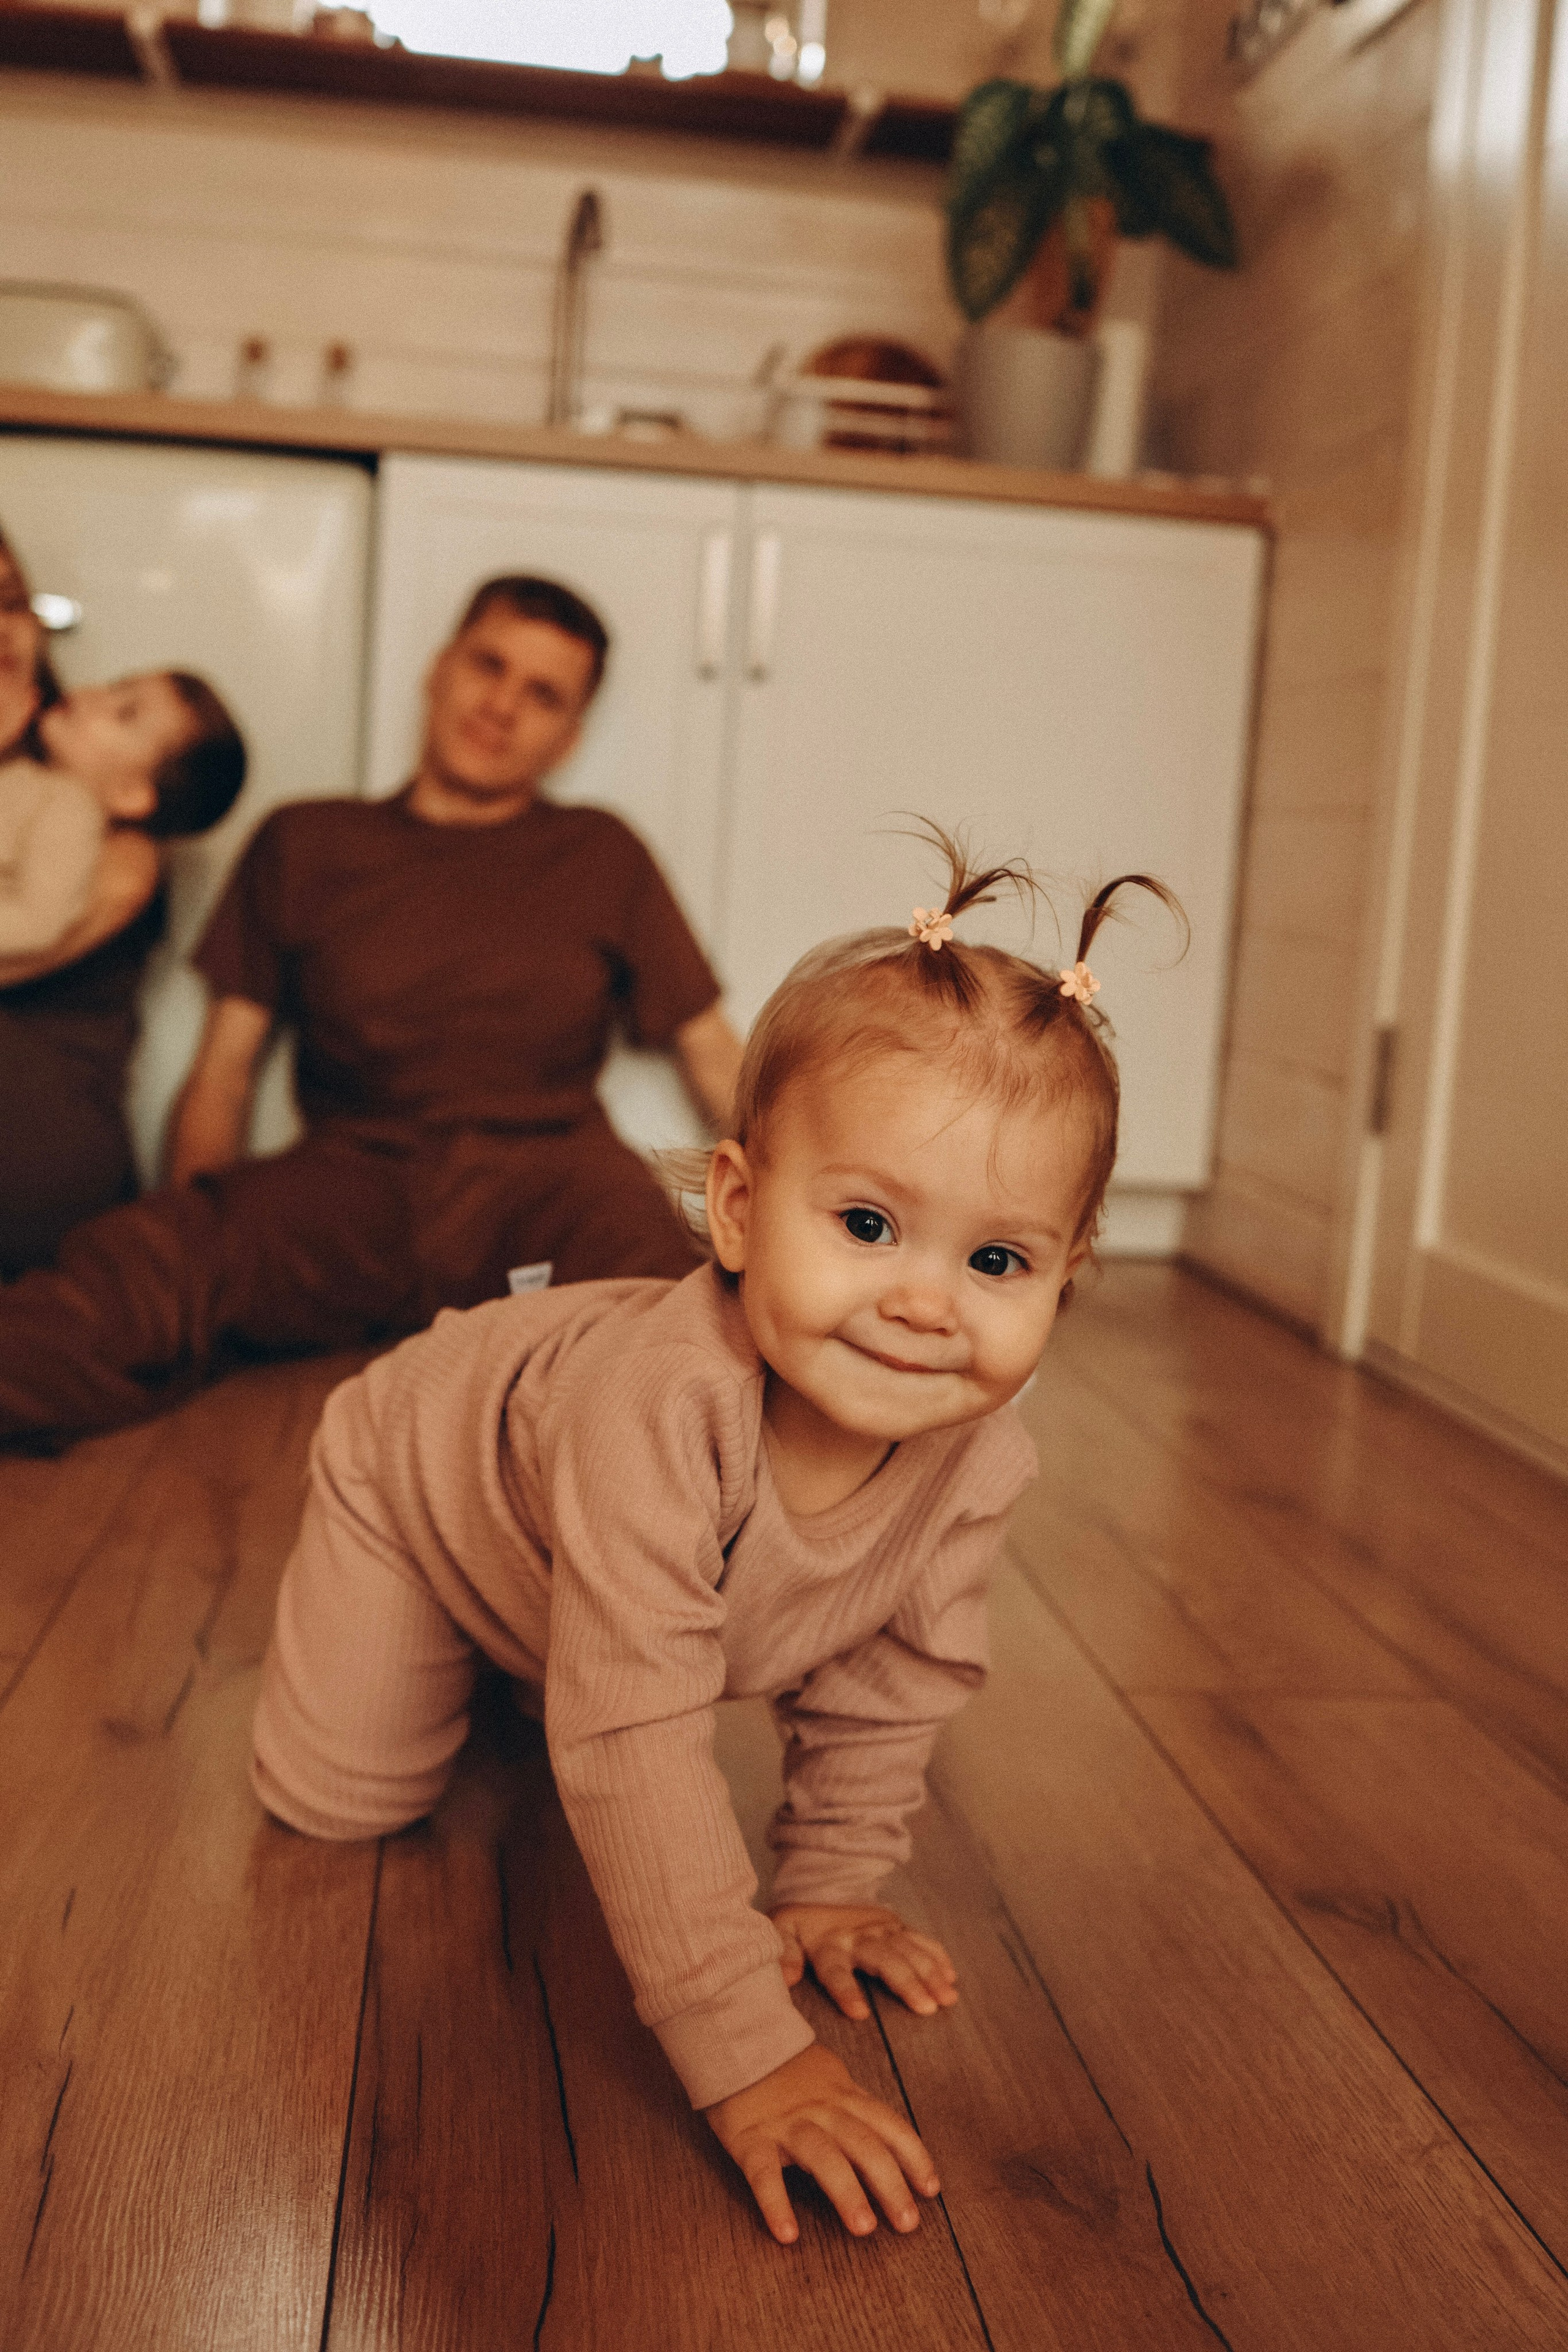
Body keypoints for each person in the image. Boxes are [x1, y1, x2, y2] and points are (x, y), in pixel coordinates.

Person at [250, 830, 1181, 2245]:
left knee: (618, 1651)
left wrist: (824, 1878)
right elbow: (629, 1736)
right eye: (866, 1223)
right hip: (416, 1473)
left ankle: (537, 1645)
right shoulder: (662, 1406)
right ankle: (486, 1640)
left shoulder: (975, 1455)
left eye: (995, 1259)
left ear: (1069, 1269)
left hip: (568, 1551)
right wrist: (747, 2048)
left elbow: (898, 1674)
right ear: (737, 1208)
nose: (928, 1302)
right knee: (342, 1799)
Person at [0, 574, 742, 1444]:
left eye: (541, 695)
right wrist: (201, 1245)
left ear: (568, 735)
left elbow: (715, 1057)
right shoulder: (306, 840)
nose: (501, 705)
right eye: (488, 666)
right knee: (133, 1273)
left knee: (678, 1343)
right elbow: (224, 1073)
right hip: (353, 1188)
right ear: (440, 669)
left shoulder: (602, 853)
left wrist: (801, 1219)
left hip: (550, 1188)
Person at [0, 532, 181, 1276]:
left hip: (47, 1243)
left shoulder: (105, 821)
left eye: (12, 601)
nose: (1, 625)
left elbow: (51, 920)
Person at [0, 668, 245, 955]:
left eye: (124, 713)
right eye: (113, 685)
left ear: (129, 795)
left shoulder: (72, 813)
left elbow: (35, 923)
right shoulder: (33, 772)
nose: (94, 695)